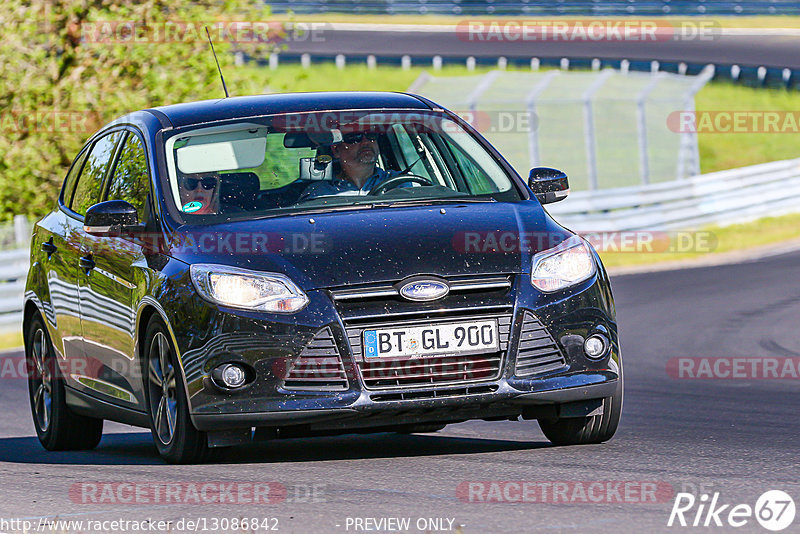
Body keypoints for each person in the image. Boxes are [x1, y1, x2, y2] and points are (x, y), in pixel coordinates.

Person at [299, 131, 398, 200]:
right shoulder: (318, 193)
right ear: (336, 150)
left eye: (371, 135)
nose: (366, 142)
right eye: (354, 137)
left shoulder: (403, 182)